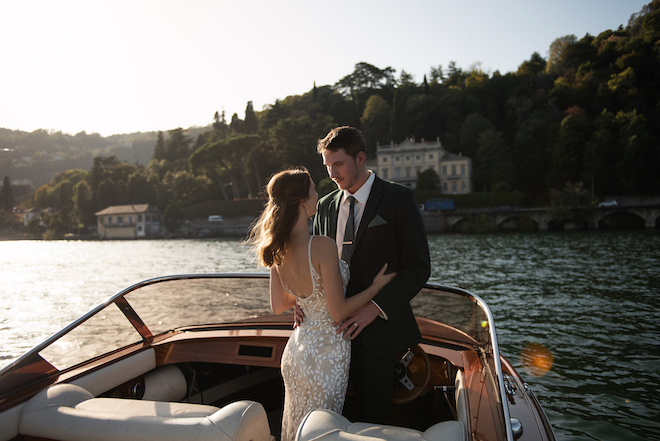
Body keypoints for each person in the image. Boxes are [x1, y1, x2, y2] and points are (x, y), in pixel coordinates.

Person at [246, 167, 396, 441]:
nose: (318, 194)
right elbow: (338, 311)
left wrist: (305, 299)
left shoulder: (276, 247)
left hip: (297, 353)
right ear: (303, 201)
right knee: (321, 432)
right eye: (314, 190)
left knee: (295, 425)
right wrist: (376, 288)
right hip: (327, 354)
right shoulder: (322, 245)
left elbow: (279, 304)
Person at [313, 126, 431, 424]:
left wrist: (374, 309)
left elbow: (418, 267)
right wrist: (302, 306)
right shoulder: (325, 206)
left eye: (338, 164)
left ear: (361, 157)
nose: (332, 174)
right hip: (329, 334)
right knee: (329, 416)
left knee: (371, 419)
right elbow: (313, 265)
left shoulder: (398, 199)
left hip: (377, 334)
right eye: (327, 166)